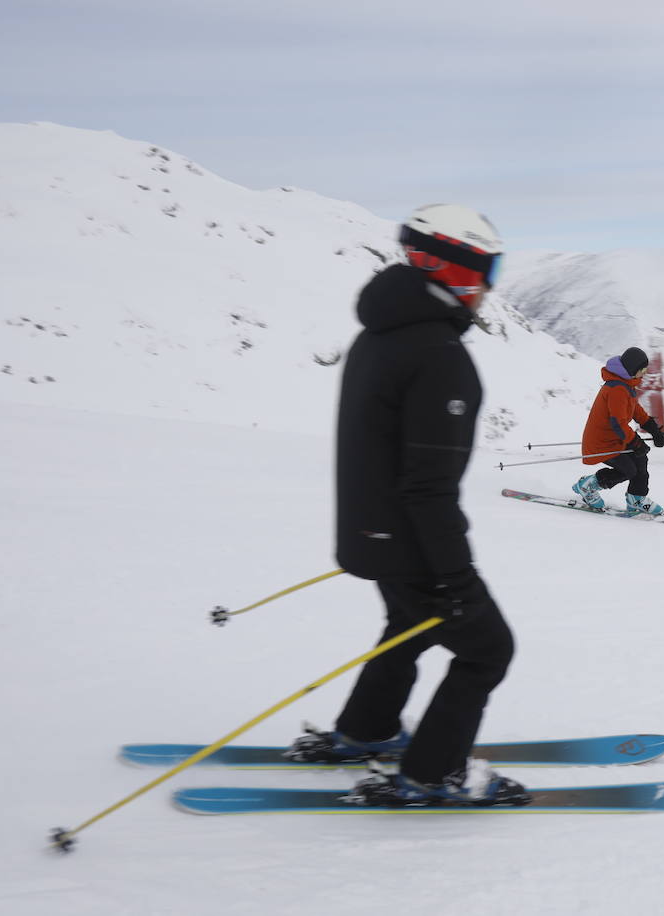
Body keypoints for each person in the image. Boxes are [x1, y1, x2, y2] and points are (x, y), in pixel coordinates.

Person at [285, 204, 527, 807]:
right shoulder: (440, 358)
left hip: (373, 538)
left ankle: (367, 730)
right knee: (488, 650)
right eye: (482, 273)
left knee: (408, 627)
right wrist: (455, 576)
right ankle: (433, 773)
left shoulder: (381, 332)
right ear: (453, 271)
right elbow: (428, 489)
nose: (486, 289)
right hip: (412, 545)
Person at [572, 347, 664, 514]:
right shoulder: (617, 389)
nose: (644, 373)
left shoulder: (626, 385)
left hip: (616, 439)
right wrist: (635, 442)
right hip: (602, 442)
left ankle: (636, 499)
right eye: (643, 370)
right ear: (633, 370)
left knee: (640, 459)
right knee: (628, 469)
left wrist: (655, 431)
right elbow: (618, 423)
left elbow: (636, 411)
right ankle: (588, 487)